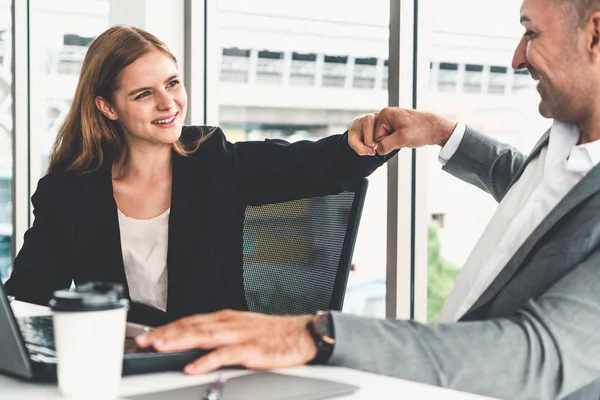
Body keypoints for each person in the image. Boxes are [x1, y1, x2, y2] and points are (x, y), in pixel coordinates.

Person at [135, 0, 600, 398]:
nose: (518, 58)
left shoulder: (210, 159)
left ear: (595, 34)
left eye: (531, 33)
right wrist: (442, 133)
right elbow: (538, 196)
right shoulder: (568, 137)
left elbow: (538, 355)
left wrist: (317, 333)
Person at [4, 25, 394, 326]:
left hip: (218, 365)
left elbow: (314, 165)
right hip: (122, 369)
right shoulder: (69, 192)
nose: (167, 103)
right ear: (107, 107)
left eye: (172, 83)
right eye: (143, 94)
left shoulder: (215, 159)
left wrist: (364, 140)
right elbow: (27, 298)